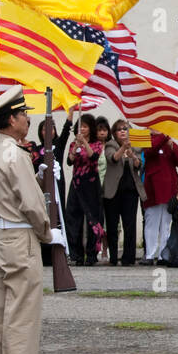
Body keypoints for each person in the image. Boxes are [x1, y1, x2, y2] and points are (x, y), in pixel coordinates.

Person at [0, 86, 55, 354]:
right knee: (22, 311)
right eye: (23, 114)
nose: (27, 119)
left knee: (2, 310)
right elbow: (33, 205)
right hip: (21, 236)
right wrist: (47, 233)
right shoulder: (15, 154)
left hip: (1, 234)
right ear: (11, 119)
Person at [102, 119, 144, 266]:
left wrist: (132, 155)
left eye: (125, 129)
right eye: (119, 129)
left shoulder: (135, 146)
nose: (122, 131)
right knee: (113, 226)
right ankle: (113, 257)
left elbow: (139, 165)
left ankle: (128, 258)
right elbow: (112, 158)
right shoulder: (111, 145)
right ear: (114, 133)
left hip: (130, 191)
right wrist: (123, 149)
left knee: (130, 225)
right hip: (113, 192)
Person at [65, 111, 105, 266]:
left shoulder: (97, 144)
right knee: (73, 218)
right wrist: (76, 146)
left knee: (92, 220)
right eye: (80, 126)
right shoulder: (73, 144)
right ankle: (77, 254)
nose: (82, 129)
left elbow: (93, 156)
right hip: (76, 184)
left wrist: (85, 143)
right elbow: (70, 161)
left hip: (91, 185)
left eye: (86, 126)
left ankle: (92, 254)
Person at [141, 132, 178, 265]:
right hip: (153, 188)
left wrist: (173, 147)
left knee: (165, 224)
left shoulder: (169, 141)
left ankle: (162, 255)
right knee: (151, 223)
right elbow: (149, 152)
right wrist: (164, 137)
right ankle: (149, 254)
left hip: (169, 188)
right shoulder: (147, 139)